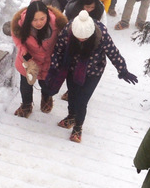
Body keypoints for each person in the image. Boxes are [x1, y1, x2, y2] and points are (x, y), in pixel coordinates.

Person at [46, 12, 138, 143]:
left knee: (82, 101)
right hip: (72, 68)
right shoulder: (68, 30)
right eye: (78, 37)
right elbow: (58, 50)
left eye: (84, 38)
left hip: (93, 71)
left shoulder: (101, 34)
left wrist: (122, 70)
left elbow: (112, 51)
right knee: (72, 95)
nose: (81, 40)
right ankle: (71, 116)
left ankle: (78, 127)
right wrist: (55, 67)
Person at [10, 1, 66, 117]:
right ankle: (26, 105)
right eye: (34, 20)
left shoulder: (57, 24)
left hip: (48, 61)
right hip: (28, 60)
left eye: (42, 18)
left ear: (47, 16)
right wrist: (24, 51)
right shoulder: (21, 24)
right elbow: (17, 37)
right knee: (26, 85)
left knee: (46, 84)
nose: (39, 23)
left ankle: (46, 97)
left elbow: (65, 40)